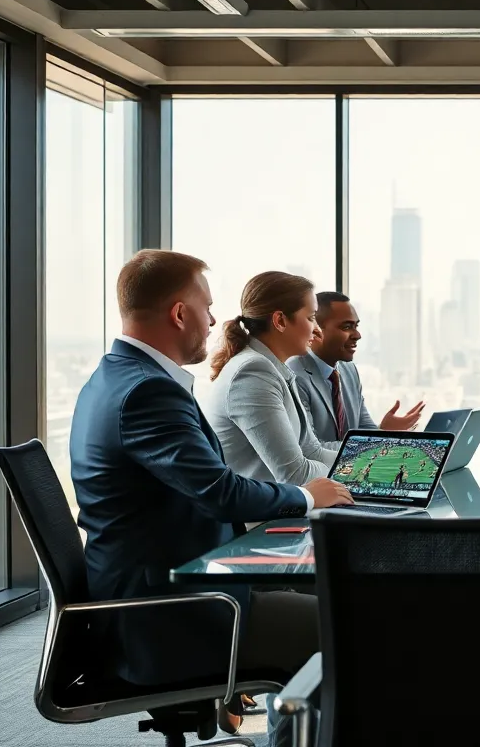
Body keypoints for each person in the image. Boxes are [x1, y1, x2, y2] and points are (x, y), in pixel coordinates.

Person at [70, 250, 352, 747]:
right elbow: (221, 492)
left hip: (165, 587)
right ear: (180, 313)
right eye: (207, 308)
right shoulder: (147, 393)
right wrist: (306, 498)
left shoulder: (117, 377)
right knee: (348, 623)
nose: (215, 320)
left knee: (329, 593)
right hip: (169, 614)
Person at [204, 272, 338, 486]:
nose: (317, 329)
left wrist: (368, 460)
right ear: (280, 321)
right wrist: (352, 471)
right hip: (258, 517)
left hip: (285, 508)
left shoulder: (274, 368)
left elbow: (313, 452)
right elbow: (295, 475)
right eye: (311, 318)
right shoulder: (253, 372)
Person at [288, 291, 424, 442]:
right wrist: (378, 439)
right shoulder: (294, 374)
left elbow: (363, 431)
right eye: (346, 327)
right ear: (315, 330)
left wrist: (384, 432)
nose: (357, 335)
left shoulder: (349, 371)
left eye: (356, 326)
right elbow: (310, 448)